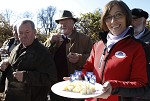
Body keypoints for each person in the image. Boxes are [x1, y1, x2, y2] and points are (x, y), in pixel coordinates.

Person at [64, 1, 148, 101]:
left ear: (127, 17)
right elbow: (89, 70)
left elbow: (141, 86)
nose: (113, 21)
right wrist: (79, 77)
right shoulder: (98, 45)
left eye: (118, 15)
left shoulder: (138, 47)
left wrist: (114, 87)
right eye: (108, 17)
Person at [0, 19, 57, 101]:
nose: (23, 35)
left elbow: (51, 79)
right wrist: (4, 65)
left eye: (27, 32)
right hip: (11, 97)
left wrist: (26, 76)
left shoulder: (43, 52)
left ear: (34, 32)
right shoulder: (16, 49)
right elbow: (12, 66)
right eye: (21, 33)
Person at [44, 10, 93, 101]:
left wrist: (80, 58)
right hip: (56, 86)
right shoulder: (53, 39)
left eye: (66, 22)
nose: (63, 25)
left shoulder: (85, 39)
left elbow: (94, 60)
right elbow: (42, 56)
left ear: (73, 23)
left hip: (75, 86)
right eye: (61, 23)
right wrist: (49, 42)